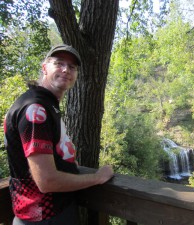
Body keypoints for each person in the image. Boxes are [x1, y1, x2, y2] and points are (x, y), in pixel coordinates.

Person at [3, 44, 114, 225]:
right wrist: (98, 178)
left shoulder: (44, 104)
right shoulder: (35, 110)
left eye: (72, 67)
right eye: (59, 63)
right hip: (45, 217)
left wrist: (65, 164)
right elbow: (46, 181)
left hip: (50, 213)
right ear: (45, 67)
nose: (65, 70)